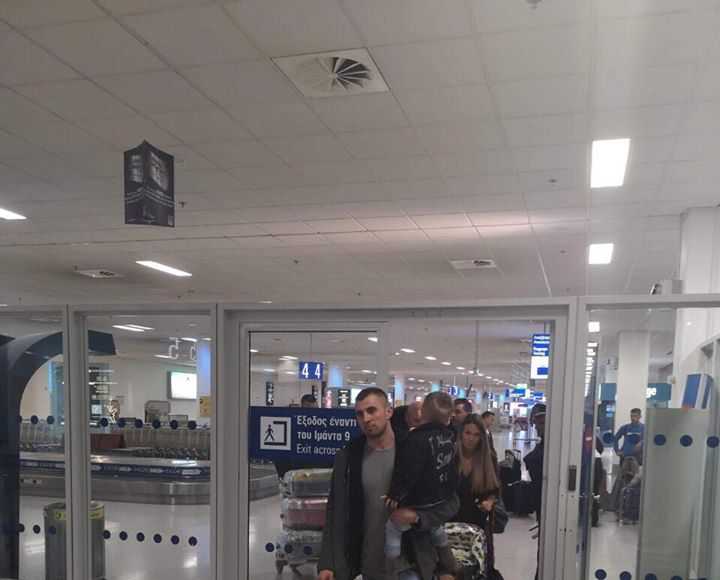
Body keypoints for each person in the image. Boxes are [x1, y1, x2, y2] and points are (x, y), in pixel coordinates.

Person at [318, 387, 460, 580]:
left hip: (411, 566)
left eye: (372, 410)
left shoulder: (416, 448)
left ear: (389, 412)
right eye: (359, 414)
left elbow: (450, 503)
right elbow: (334, 511)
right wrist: (327, 562)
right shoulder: (349, 457)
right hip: (367, 567)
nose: (366, 419)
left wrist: (417, 517)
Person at [383, 392, 459, 574]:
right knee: (434, 526)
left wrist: (395, 494)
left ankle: (389, 567)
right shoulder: (449, 437)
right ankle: (450, 561)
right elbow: (452, 471)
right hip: (439, 498)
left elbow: (407, 471)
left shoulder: (415, 440)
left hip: (420, 500)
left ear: (422, 413)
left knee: (393, 528)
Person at [447, 414, 502, 578]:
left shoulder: (488, 459)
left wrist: (489, 502)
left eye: (476, 435)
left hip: (477, 521)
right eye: (468, 433)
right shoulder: (450, 457)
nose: (471, 439)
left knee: (477, 568)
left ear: (482, 437)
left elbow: (495, 489)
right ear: (461, 433)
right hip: (450, 520)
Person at [523, 404, 546, 580]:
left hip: (548, 501)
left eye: (541, 423)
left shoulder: (551, 446)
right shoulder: (543, 443)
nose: (538, 427)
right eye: (537, 423)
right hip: (540, 500)